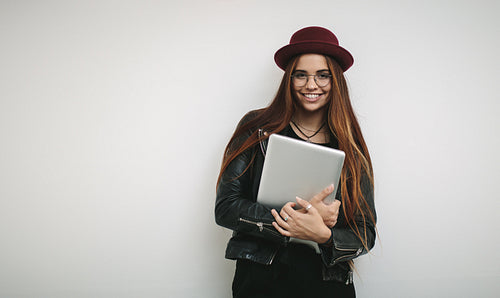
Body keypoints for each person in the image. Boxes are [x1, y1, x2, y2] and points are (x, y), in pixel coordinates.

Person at [215, 26, 376, 298]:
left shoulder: (350, 143)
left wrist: (323, 235)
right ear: (289, 79)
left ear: (335, 80)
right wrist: (294, 222)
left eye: (322, 76)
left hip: (328, 283)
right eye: (301, 75)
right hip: (261, 277)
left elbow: (365, 233)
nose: (311, 85)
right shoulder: (256, 128)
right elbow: (226, 208)